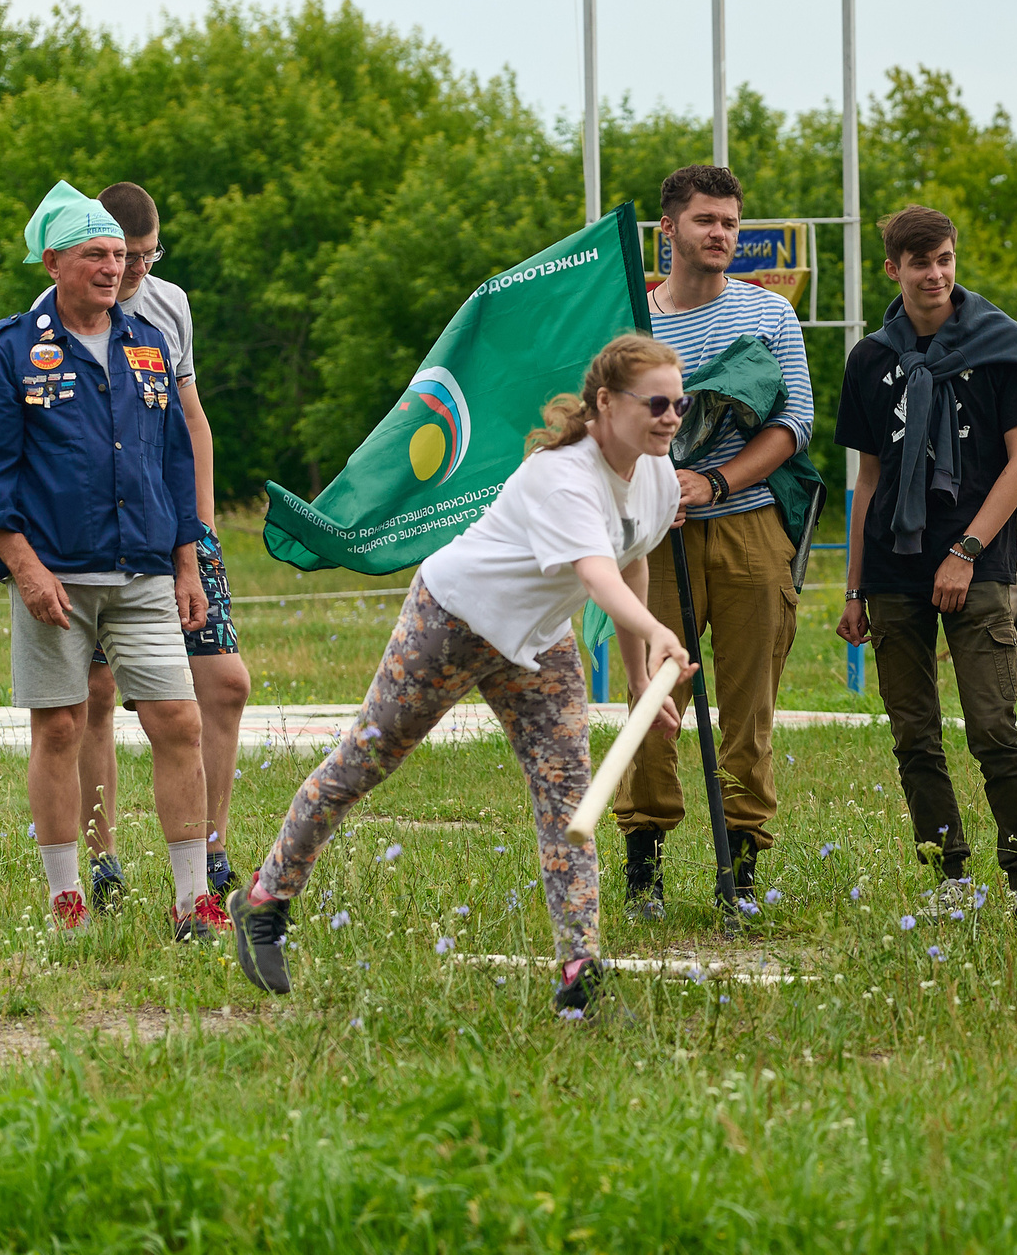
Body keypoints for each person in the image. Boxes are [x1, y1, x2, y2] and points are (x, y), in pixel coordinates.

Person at [232, 334, 693, 1014]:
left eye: (680, 404)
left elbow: (630, 558)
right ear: (606, 401)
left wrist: (636, 678)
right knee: (366, 759)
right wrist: (655, 630)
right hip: (452, 620)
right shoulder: (561, 474)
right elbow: (597, 576)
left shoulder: (656, 473)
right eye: (657, 403)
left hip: (537, 644)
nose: (672, 417)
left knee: (568, 798)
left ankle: (580, 972)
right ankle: (265, 898)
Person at [0, 180, 213, 937]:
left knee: (179, 722)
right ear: (53, 263)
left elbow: (173, 462)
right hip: (56, 579)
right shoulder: (11, 348)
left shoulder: (149, 343)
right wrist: (25, 569)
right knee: (61, 730)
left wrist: (188, 562)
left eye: (118, 255)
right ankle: (66, 901)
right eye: (94, 255)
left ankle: (193, 902)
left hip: (144, 571)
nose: (113, 268)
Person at [835, 205, 1017, 909]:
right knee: (914, 735)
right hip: (892, 567)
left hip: (976, 561)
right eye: (920, 263)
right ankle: (950, 879)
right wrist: (853, 588)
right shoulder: (871, 359)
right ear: (893, 269)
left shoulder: (1000, 346)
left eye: (945, 260)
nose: (935, 275)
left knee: (993, 725)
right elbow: (868, 481)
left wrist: (966, 550)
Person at [45, 182, 257, 912]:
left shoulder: (170, 306)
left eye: (145, 256)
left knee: (225, 683)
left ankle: (213, 849)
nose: (132, 270)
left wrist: (200, 529)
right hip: (92, 538)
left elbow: (189, 421)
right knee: (96, 694)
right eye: (121, 255)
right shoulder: (55, 316)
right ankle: (103, 857)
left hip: (173, 525)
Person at [614, 164, 816, 915]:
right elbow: (602, 424)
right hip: (652, 537)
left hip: (749, 525)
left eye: (730, 222)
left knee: (748, 704)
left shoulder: (769, 313)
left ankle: (743, 874)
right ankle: (644, 867)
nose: (721, 233)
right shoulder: (631, 323)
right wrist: (649, 488)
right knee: (651, 693)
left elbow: (795, 422)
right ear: (668, 229)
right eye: (705, 220)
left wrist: (714, 482)